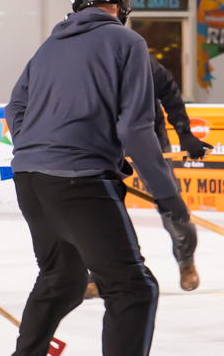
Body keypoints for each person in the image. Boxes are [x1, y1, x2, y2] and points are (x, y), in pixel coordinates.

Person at [0, 0, 185, 356]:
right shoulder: (128, 42)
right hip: (79, 183)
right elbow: (136, 128)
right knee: (134, 289)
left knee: (60, 279)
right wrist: (170, 199)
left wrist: (43, 147)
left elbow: (14, 106)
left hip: (30, 178)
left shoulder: (48, 46)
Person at [82, 53, 209, 299]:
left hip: (147, 132)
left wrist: (184, 132)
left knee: (170, 199)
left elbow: (169, 92)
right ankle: (100, 274)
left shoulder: (137, 56)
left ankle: (185, 260)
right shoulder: (80, 61)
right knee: (97, 205)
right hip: (102, 135)